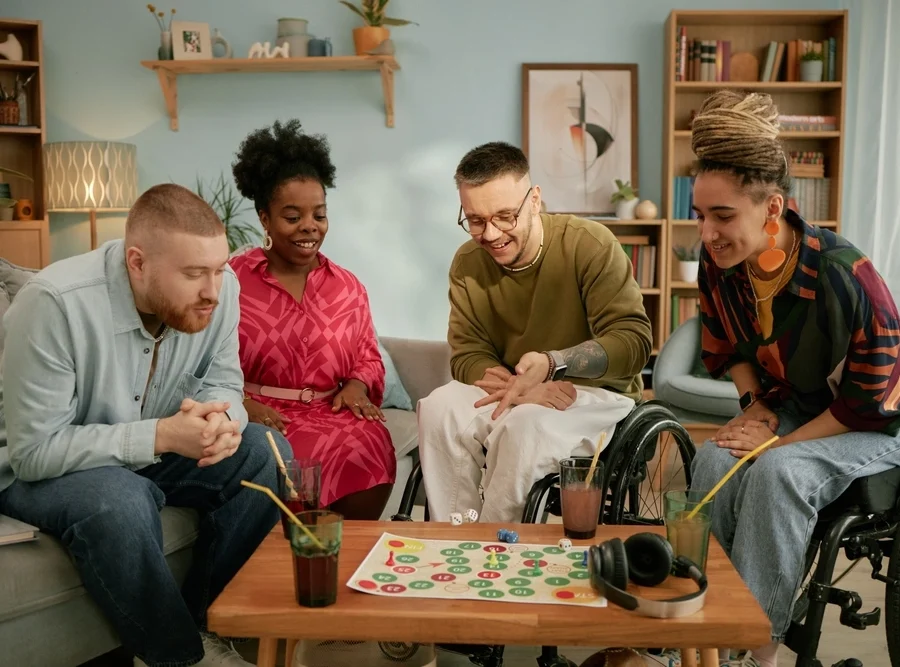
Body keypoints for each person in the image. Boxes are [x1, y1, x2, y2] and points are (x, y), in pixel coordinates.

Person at [0, 183, 291, 667]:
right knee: (119, 497)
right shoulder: (54, 302)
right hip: (37, 471)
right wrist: (160, 436)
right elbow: (33, 452)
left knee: (263, 451)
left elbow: (224, 384)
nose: (212, 292)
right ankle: (177, 657)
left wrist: (222, 421)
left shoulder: (222, 291)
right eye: (194, 274)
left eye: (218, 270)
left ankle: (212, 623)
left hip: (144, 453)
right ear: (138, 263)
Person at [688, 90, 900, 667]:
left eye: (723, 216)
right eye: (700, 215)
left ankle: (758, 650)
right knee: (713, 459)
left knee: (778, 471)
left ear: (773, 209)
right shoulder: (720, 263)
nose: (707, 233)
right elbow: (723, 345)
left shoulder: (845, 275)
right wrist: (754, 407)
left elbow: (868, 403)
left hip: (874, 427)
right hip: (796, 408)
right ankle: (702, 640)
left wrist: (777, 440)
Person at [418, 141, 652, 523]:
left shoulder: (589, 245)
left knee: (524, 427)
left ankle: (497, 548)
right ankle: (454, 535)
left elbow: (633, 343)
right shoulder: (466, 263)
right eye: (475, 220)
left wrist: (553, 363)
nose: (490, 234)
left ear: (534, 200)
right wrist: (520, 387)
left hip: (595, 394)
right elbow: (467, 354)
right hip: (514, 388)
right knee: (439, 407)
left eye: (505, 217)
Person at [229, 119, 396, 520]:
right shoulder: (229, 282)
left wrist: (356, 385)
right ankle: (293, 562)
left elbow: (368, 357)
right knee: (285, 454)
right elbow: (195, 364)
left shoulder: (347, 286)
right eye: (292, 216)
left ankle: (340, 558)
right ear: (264, 218)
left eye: (319, 214)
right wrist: (240, 402)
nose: (310, 226)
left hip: (328, 411)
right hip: (261, 414)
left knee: (371, 441)